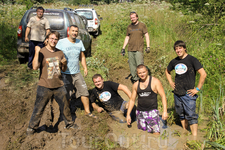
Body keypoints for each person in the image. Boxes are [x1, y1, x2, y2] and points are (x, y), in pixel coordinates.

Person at [26, 31, 78, 135]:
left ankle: (69, 124)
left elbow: (63, 69)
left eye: (55, 39)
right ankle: (32, 128)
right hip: (44, 85)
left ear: (57, 41)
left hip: (59, 84)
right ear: (47, 39)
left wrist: (64, 64)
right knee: (39, 108)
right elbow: (35, 67)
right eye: (51, 38)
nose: (53, 41)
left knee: (65, 106)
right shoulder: (42, 52)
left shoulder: (60, 52)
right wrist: (36, 52)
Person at [165, 40, 207, 136]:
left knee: (191, 116)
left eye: (180, 48)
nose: (178, 50)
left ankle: (194, 137)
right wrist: (171, 82)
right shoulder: (174, 61)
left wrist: (197, 89)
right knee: (181, 114)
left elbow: (203, 74)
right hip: (177, 93)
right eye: (176, 49)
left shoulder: (192, 60)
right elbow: (167, 71)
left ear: (184, 48)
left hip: (189, 93)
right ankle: (184, 132)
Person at [56, 25, 95, 118]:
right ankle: (66, 112)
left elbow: (82, 56)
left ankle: (87, 111)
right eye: (73, 31)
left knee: (84, 91)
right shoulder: (61, 42)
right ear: (68, 31)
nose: (74, 33)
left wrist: (85, 67)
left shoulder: (79, 42)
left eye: (76, 31)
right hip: (65, 73)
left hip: (77, 72)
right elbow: (55, 54)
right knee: (67, 94)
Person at [127, 64, 168, 134]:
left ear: (147, 71)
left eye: (143, 72)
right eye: (140, 73)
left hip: (152, 112)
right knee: (142, 133)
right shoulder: (136, 84)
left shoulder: (155, 82)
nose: (142, 74)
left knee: (156, 133)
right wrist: (128, 114)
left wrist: (165, 111)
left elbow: (163, 96)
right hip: (140, 112)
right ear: (137, 74)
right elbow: (132, 100)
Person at [121, 11, 150, 83]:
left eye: (133, 17)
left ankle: (143, 80)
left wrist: (148, 46)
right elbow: (127, 37)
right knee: (132, 66)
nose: (132, 19)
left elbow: (146, 35)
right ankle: (135, 80)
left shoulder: (142, 25)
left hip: (139, 49)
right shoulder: (129, 27)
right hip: (130, 49)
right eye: (131, 18)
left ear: (137, 17)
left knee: (140, 65)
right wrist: (123, 48)